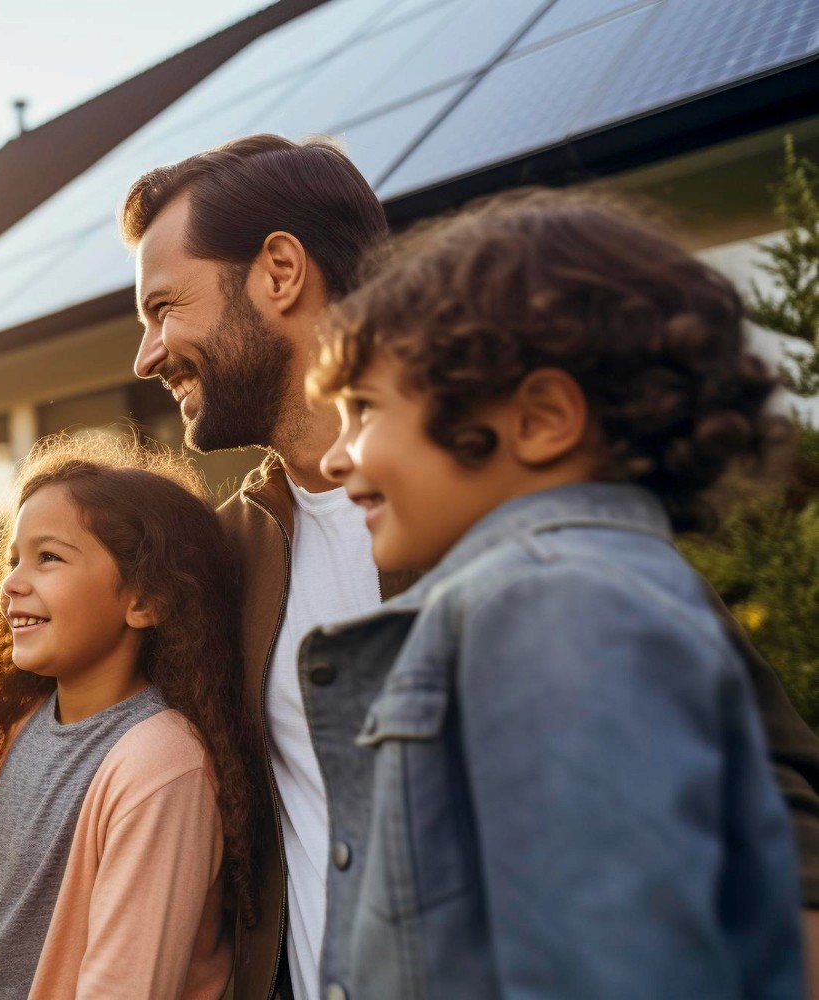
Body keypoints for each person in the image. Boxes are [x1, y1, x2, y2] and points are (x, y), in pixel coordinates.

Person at [119, 134, 819, 1000]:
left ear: (281, 271)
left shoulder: (526, 533)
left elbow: (767, 815)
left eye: (163, 307)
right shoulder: (220, 554)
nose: (145, 355)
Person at [306, 187, 801, 998]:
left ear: (540, 418)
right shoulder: (585, 590)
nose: (336, 458)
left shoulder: (555, 603)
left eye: (363, 409)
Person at [0, 434, 258, 1000]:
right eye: (14, 560)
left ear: (144, 601)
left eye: (49, 557)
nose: (10, 584)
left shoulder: (160, 766)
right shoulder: (20, 726)